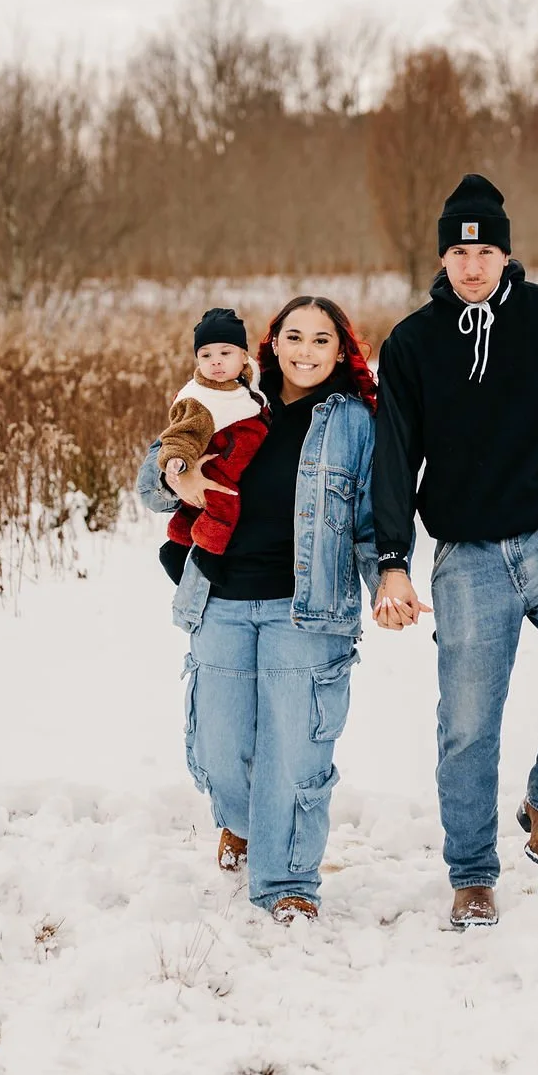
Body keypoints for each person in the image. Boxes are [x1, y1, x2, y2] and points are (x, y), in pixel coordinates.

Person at [371, 174, 538, 930]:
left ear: (505, 253)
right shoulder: (415, 343)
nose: (472, 263)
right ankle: (472, 875)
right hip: (468, 553)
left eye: (484, 249)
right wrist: (394, 558)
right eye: (459, 250)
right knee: (467, 722)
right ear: (444, 259)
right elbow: (394, 457)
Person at [137, 297, 379, 924]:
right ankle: (242, 823)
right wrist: (176, 475)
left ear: (341, 349)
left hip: (307, 610)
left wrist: (390, 578)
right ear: (268, 345)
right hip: (218, 597)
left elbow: (375, 516)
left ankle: (288, 878)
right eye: (292, 337)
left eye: (320, 340)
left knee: (295, 750)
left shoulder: (357, 421)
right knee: (219, 744)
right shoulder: (228, 397)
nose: (304, 351)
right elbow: (147, 484)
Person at [155, 307, 269, 586]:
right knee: (224, 503)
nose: (216, 362)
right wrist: (176, 461)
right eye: (206, 355)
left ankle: (176, 547)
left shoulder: (245, 380)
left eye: (225, 353)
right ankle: (207, 552)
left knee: (193, 511)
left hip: (233, 460)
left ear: (244, 356)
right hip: (215, 465)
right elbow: (181, 435)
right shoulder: (199, 398)